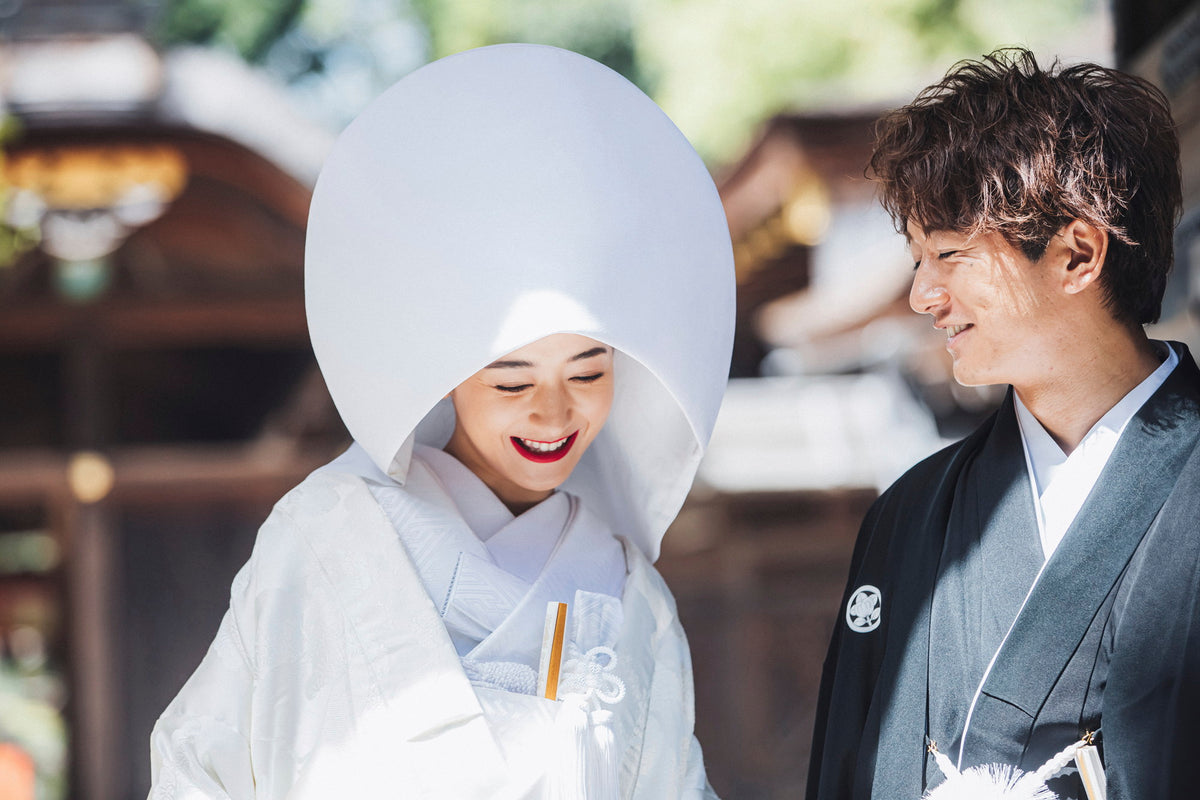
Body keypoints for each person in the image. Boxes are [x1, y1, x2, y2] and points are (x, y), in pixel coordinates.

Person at [149, 43, 734, 799]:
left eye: (588, 373)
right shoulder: (328, 539)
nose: (553, 411)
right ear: (445, 375)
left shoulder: (629, 600)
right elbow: (202, 769)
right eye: (511, 380)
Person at [807, 49, 1195, 800]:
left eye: (949, 254)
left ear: (1077, 253)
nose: (923, 295)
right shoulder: (909, 516)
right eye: (918, 258)